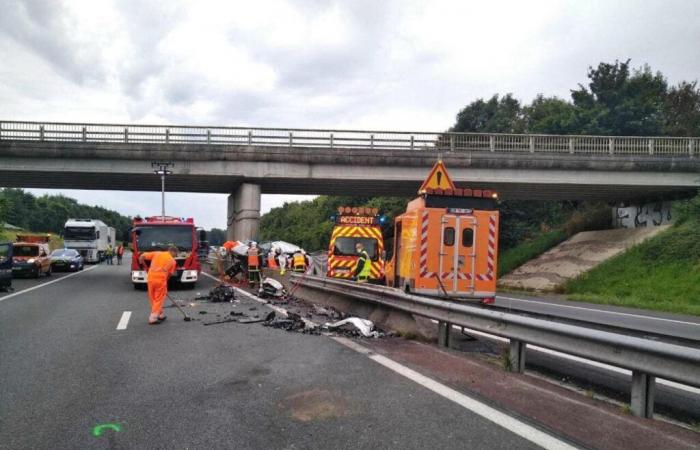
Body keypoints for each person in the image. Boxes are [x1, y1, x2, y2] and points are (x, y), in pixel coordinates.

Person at [138, 245, 178, 325]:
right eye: (176, 254)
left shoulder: (157, 253)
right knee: (158, 299)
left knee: (152, 297)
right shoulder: (173, 261)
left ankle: (160, 314)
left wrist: (141, 261)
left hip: (150, 278)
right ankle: (153, 317)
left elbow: (143, 256)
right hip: (160, 280)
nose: (176, 256)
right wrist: (165, 282)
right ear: (172, 251)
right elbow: (169, 275)